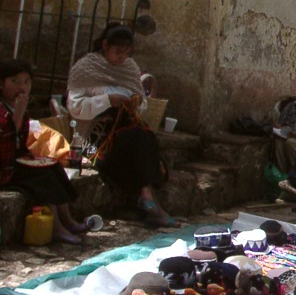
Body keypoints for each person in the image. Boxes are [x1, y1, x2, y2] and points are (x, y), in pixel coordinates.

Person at [67, 24, 177, 228]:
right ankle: (148, 202)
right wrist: (108, 100)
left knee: (143, 137)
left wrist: (137, 101)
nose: (122, 57)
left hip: (127, 130)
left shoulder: (129, 68)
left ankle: (146, 199)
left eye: (127, 53)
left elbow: (142, 103)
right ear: (105, 45)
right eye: (118, 51)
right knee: (137, 138)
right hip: (96, 138)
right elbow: (75, 107)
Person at [0, 59, 87, 243]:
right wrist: (17, 115)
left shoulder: (19, 109)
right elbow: (6, 138)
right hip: (4, 168)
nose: (21, 87)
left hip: (15, 162)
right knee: (42, 178)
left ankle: (67, 219)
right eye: (15, 82)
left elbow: (21, 143)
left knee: (53, 166)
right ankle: (56, 227)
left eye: (26, 82)